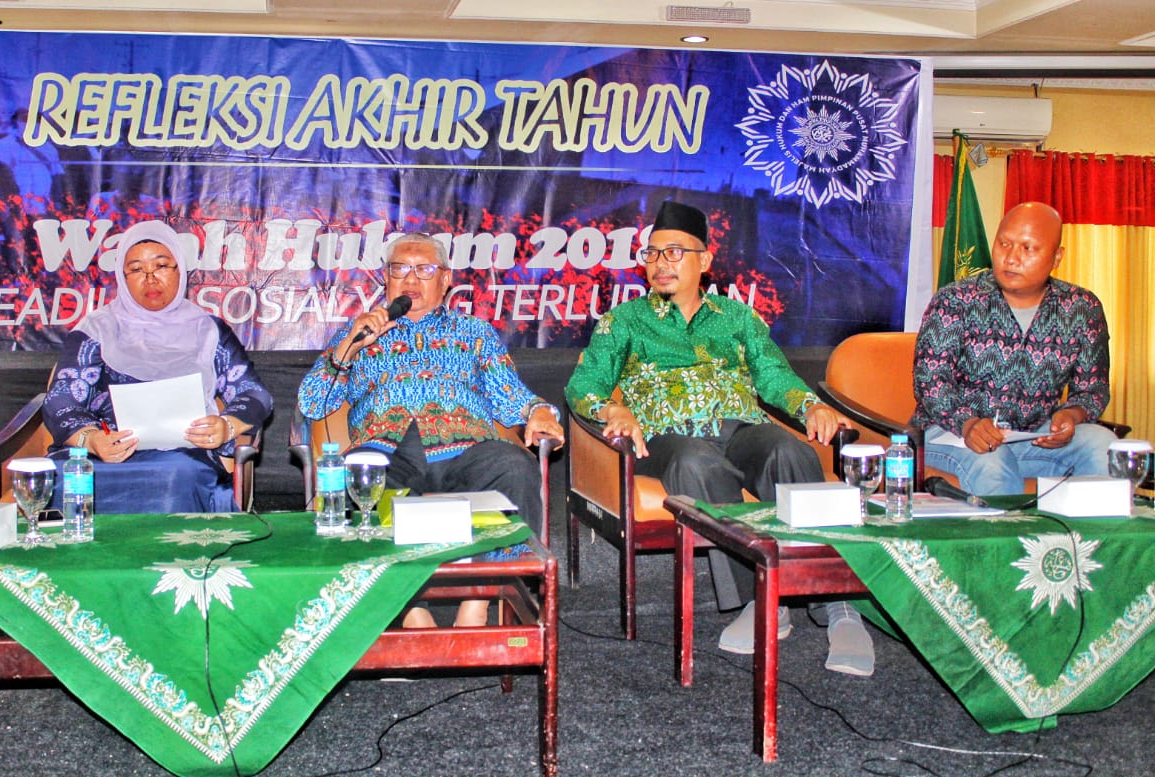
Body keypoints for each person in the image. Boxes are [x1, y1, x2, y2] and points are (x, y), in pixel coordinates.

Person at [565, 200, 874, 676]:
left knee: (787, 449)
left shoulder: (738, 318)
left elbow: (774, 378)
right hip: (668, 438)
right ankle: (763, 598)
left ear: (704, 261)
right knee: (695, 463)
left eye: (674, 253)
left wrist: (809, 405)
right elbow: (582, 387)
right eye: (652, 254)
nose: (660, 263)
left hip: (738, 428)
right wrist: (612, 407)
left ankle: (835, 602)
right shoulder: (623, 322)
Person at [298, 232, 564, 628]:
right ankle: (408, 609)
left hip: (467, 446)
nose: (410, 280)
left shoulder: (473, 332)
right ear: (385, 278)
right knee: (356, 480)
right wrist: (348, 349)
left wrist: (540, 411)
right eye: (400, 269)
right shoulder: (360, 333)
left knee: (514, 466)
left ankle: (481, 597)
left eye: (424, 270)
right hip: (385, 448)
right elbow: (313, 405)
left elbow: (512, 396)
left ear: (445, 280)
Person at [43, 220, 273, 513]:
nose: (150, 279)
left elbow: (254, 394)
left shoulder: (208, 330)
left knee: (178, 476)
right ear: (122, 277)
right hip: (104, 455)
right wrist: (92, 440)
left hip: (181, 456)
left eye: (162, 266)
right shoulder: (96, 330)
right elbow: (60, 399)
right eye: (137, 269)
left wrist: (226, 427)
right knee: (70, 478)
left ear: (180, 270)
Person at [912, 201, 1115, 495]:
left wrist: (1071, 416)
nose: (1011, 258)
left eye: (1028, 248)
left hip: (1031, 438)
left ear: (1057, 256)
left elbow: (1093, 389)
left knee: (1104, 446)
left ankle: (1091, 541)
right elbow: (930, 382)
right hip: (951, 434)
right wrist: (968, 424)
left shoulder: (1081, 309)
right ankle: (1000, 543)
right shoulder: (956, 300)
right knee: (993, 460)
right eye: (1004, 244)